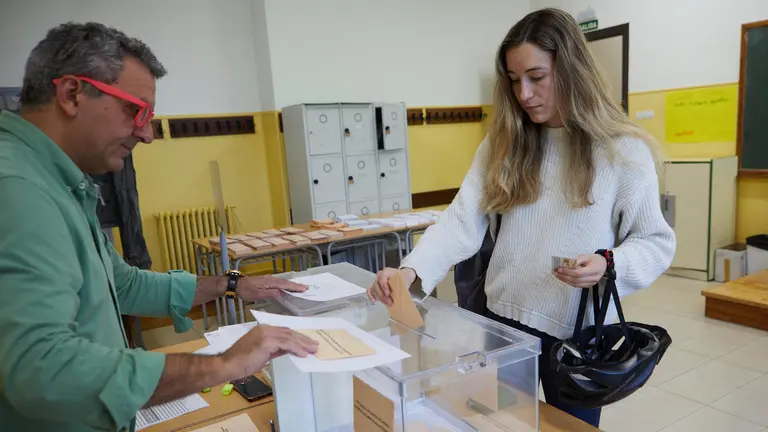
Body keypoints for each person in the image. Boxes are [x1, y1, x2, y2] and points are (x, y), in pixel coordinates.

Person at [0, 22, 318, 431]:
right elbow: (43, 371)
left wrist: (231, 284)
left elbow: (123, 284)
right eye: (138, 111)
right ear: (72, 94)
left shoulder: (54, 180)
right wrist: (225, 364)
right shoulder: (18, 189)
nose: (147, 133)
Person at [367, 8, 675, 427]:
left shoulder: (622, 151)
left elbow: (655, 242)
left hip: (577, 337)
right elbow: (462, 221)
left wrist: (609, 263)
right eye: (514, 81)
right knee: (499, 424)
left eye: (537, 77)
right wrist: (409, 272)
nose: (524, 94)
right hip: (502, 327)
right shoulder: (505, 142)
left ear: (571, 71)